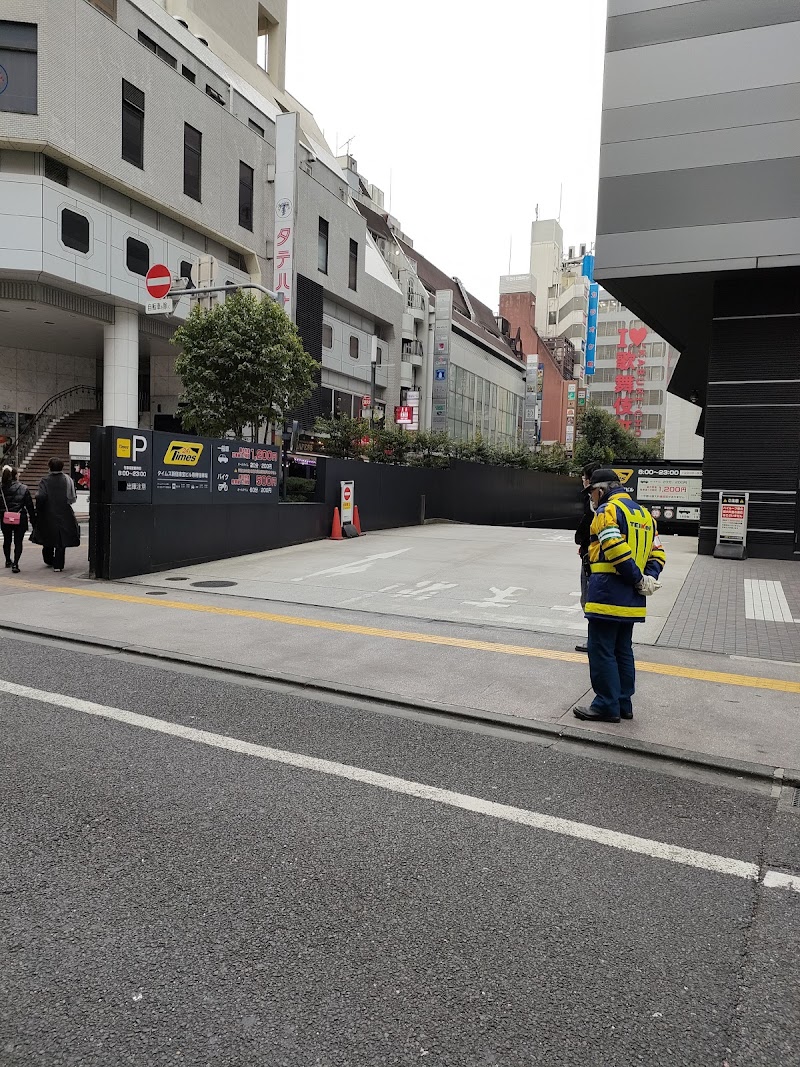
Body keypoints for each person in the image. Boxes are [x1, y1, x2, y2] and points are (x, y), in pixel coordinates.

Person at [572, 468, 666, 724]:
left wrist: (635, 577)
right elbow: (658, 554)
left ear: (601, 490)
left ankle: (605, 705)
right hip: (633, 600)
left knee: (601, 650)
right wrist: (646, 578)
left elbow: (613, 546)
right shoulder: (645, 515)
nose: (591, 499)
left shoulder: (608, 511)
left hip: (607, 595)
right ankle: (624, 703)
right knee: (623, 650)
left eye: (591, 493)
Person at [34, 457, 80, 573]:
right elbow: (72, 498)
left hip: (48, 512)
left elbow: (40, 496)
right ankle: (58, 565)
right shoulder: (67, 479)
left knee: (48, 535)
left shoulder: (44, 480)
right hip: (64, 512)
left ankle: (49, 559)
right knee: (61, 539)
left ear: (49, 467)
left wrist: (39, 508)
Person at [574, 460, 601, 653]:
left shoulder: (596, 504)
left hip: (593, 560)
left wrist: (582, 542)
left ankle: (595, 641)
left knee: (589, 600)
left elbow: (589, 525)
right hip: (592, 555)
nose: (582, 482)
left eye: (584, 478)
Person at [1, 465, 36, 574]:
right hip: (20, 517)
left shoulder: (1, 488)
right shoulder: (23, 488)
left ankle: (7, 560)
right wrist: (33, 520)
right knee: (18, 542)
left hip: (4, 517)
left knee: (7, 540)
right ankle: (15, 563)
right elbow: (29, 505)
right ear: (16, 476)